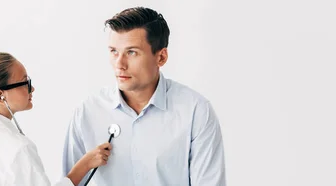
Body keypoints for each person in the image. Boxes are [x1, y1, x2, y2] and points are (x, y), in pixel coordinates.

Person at [61, 7, 226, 186]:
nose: (119, 64)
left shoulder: (195, 111)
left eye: (132, 52)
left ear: (161, 57)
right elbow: (68, 181)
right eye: (113, 51)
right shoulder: (87, 112)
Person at [0, 52, 112, 186]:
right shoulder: (17, 148)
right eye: (25, 82)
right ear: (0, 96)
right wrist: (85, 165)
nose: (32, 88)